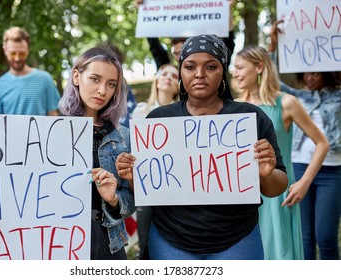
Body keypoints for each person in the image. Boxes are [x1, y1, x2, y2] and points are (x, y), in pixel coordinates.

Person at [0, 47, 136, 260]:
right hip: (57, 245)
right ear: (77, 76)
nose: (102, 90)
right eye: (95, 79)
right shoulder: (43, 132)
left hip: (108, 246)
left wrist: (113, 199)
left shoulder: (122, 137)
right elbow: (16, 190)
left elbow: (130, 205)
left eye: (111, 84)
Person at [115, 34, 288, 260]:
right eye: (190, 66)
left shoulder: (250, 117)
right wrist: (132, 176)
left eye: (211, 66)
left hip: (238, 240)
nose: (199, 74)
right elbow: (145, 190)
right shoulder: (157, 120)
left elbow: (277, 186)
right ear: (181, 71)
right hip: (171, 241)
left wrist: (265, 174)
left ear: (223, 71)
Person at [233, 45, 329, 259]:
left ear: (259, 67)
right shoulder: (235, 107)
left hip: (277, 193)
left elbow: (322, 143)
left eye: (240, 67)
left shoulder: (286, 103)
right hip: (244, 196)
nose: (235, 73)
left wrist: (304, 183)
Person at [269, 20, 341, 260]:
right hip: (300, 168)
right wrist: (274, 44)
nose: (310, 78)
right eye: (307, 73)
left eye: (316, 73)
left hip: (332, 170)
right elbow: (271, 82)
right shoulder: (298, 97)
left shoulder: (338, 96)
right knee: (306, 237)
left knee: (326, 236)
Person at [131, 63, 179, 259]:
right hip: (147, 189)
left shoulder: (185, 114)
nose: (168, 77)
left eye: (174, 75)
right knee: (145, 248)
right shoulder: (141, 111)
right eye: (164, 73)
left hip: (176, 190)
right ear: (157, 81)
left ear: (179, 85)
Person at [135, 0, 236, 69]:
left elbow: (228, 43)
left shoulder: (212, 66)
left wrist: (226, 10)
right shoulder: (167, 70)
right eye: (176, 53)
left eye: (183, 52)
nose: (179, 57)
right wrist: (144, 12)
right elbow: (154, 44)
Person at [0, 27, 60, 116]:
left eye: (22, 53)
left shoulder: (45, 79)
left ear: (28, 50)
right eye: (13, 53)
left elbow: (53, 115)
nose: (17, 59)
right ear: (5, 50)